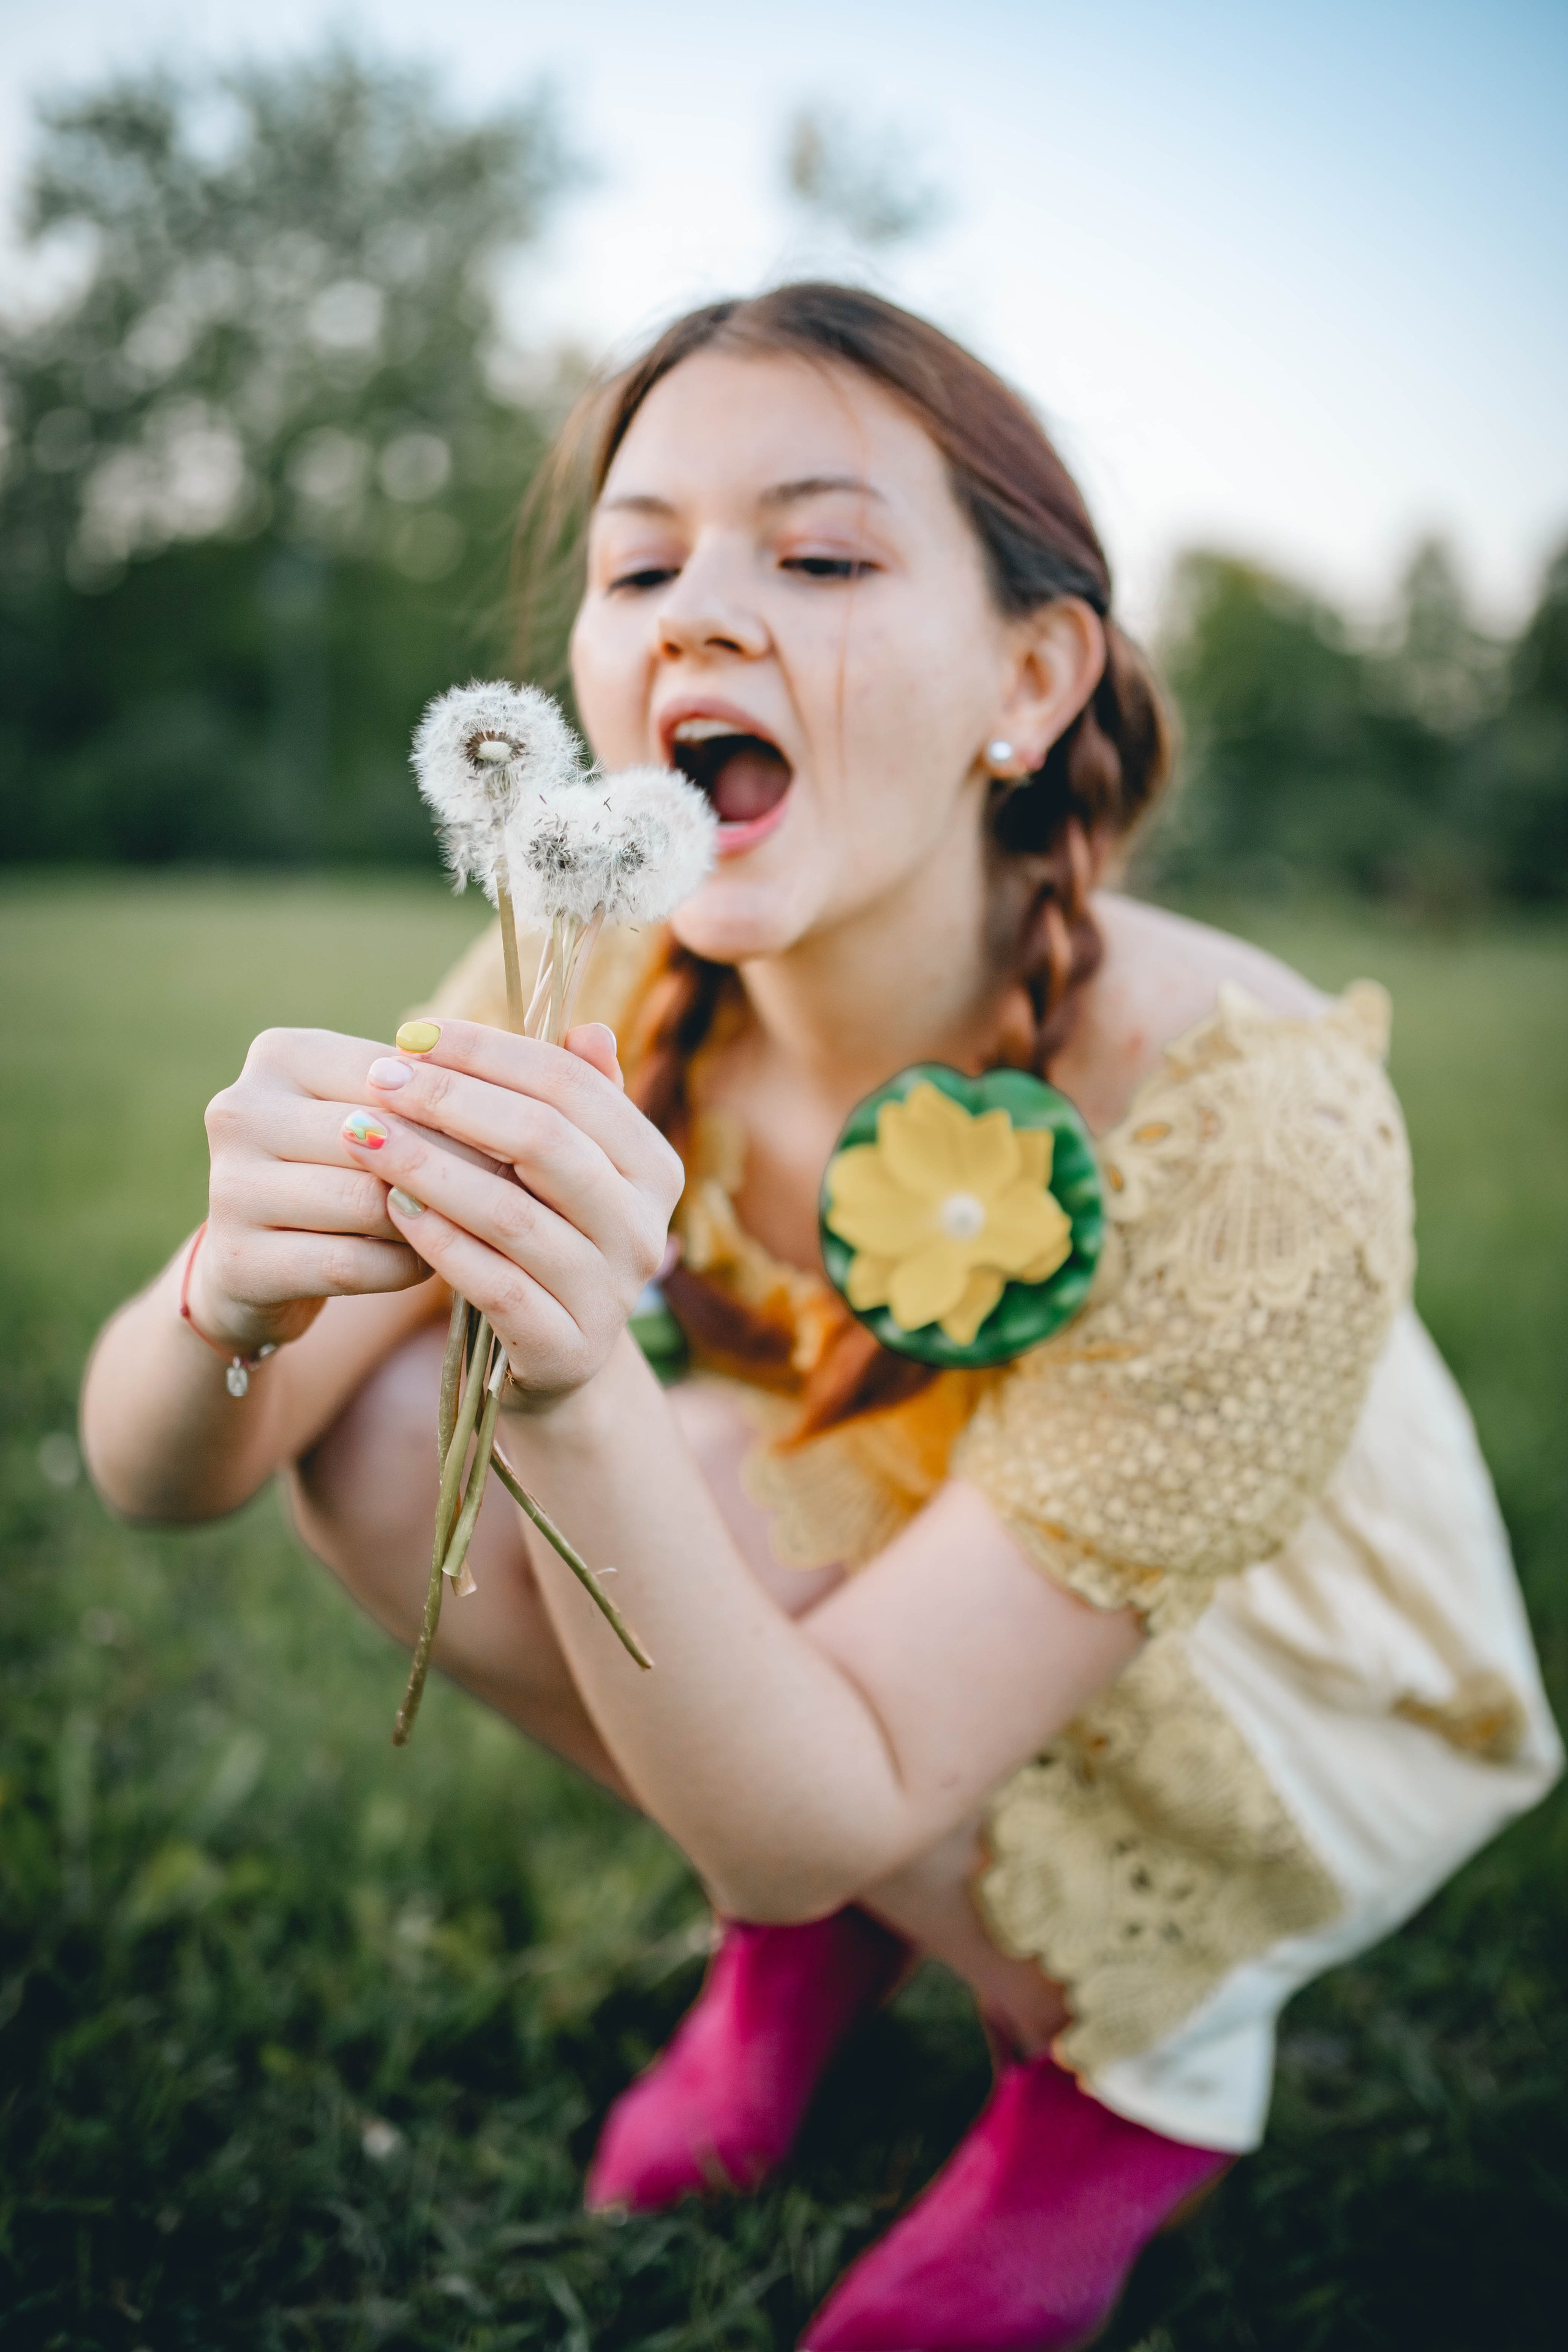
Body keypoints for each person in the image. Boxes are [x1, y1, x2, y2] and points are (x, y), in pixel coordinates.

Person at [81, 284, 1561, 2352]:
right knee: (383, 1428)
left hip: (1250, 1666)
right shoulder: (584, 965)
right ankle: (860, 1934)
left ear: (1032, 678)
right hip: (870, 1620)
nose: (694, 612)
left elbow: (804, 1822)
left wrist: (591, 1389)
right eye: (640, 560)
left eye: (823, 551)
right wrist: (226, 1292)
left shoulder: (1257, 1120)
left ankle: (1110, 2069)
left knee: (800, 1734)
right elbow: (167, 1470)